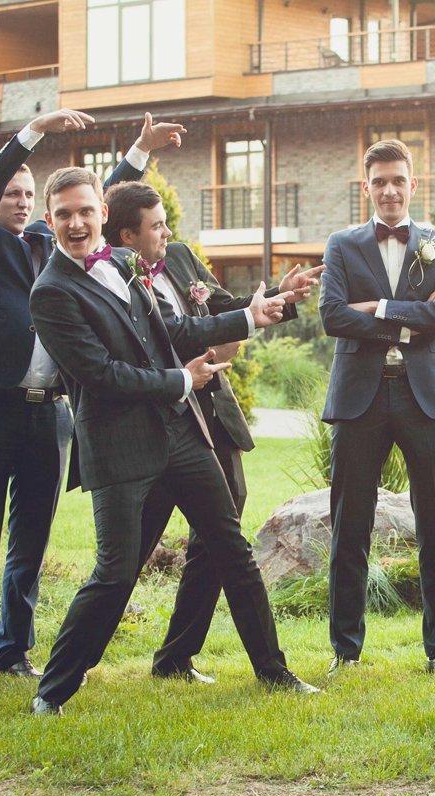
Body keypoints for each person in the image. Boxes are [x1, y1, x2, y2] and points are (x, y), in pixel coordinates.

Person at [27, 166, 317, 714]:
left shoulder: (122, 264)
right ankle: (54, 690)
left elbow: (172, 330)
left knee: (233, 551)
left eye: (85, 211)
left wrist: (249, 318)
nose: (76, 223)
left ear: (102, 214)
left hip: (181, 434)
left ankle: (274, 672)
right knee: (115, 574)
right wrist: (181, 381)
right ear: (50, 220)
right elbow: (101, 375)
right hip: (119, 448)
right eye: (64, 215)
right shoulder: (51, 293)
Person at [0, 108, 183, 691]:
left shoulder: (49, 244)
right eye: (12, 193)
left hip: (50, 414)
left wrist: (139, 152)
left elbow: (92, 204)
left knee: (31, 540)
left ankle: (12, 648)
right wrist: (31, 136)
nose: (21, 202)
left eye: (30, 195)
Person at [103, 179, 323, 682]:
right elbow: (166, 338)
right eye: (157, 225)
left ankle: (177, 657)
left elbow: (224, 307)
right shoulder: (114, 275)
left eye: (166, 223)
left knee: (221, 543)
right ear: (127, 236)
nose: (168, 233)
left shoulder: (180, 256)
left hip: (214, 421)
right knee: (128, 554)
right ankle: (75, 658)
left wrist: (280, 296)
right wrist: (239, 324)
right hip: (156, 425)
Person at [319, 139, 435, 680]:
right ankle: (345, 652)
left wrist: (379, 308)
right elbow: (333, 316)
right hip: (359, 396)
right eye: (379, 181)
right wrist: (410, 320)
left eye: (398, 180)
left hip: (424, 395)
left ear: (413, 184)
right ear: (366, 187)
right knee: (349, 526)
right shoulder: (342, 244)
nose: (389, 191)